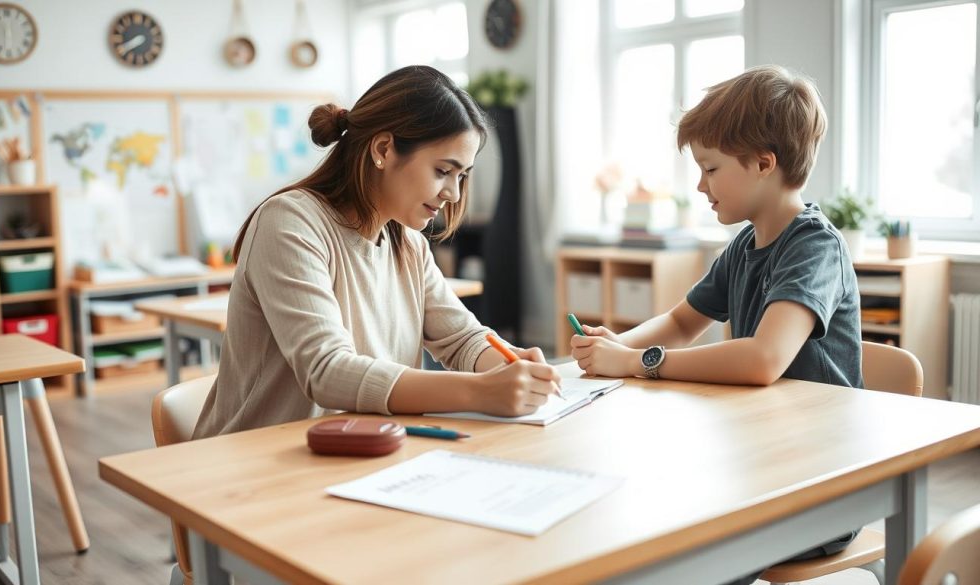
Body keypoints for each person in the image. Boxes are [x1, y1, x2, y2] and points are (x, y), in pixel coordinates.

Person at [570, 65, 863, 585]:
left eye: (710, 168)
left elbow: (763, 359)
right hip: (763, 462)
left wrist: (638, 363)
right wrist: (615, 346)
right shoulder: (745, 246)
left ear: (763, 164)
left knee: (681, 544)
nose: (701, 185)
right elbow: (683, 321)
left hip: (818, 486)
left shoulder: (815, 247)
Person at [193, 65, 559, 440]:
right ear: (383, 149)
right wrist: (481, 392)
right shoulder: (289, 222)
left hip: (358, 451)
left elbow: (462, 339)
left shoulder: (408, 242)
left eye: (461, 176)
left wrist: (510, 369)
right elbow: (327, 371)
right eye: (443, 170)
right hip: (252, 464)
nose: (452, 193)